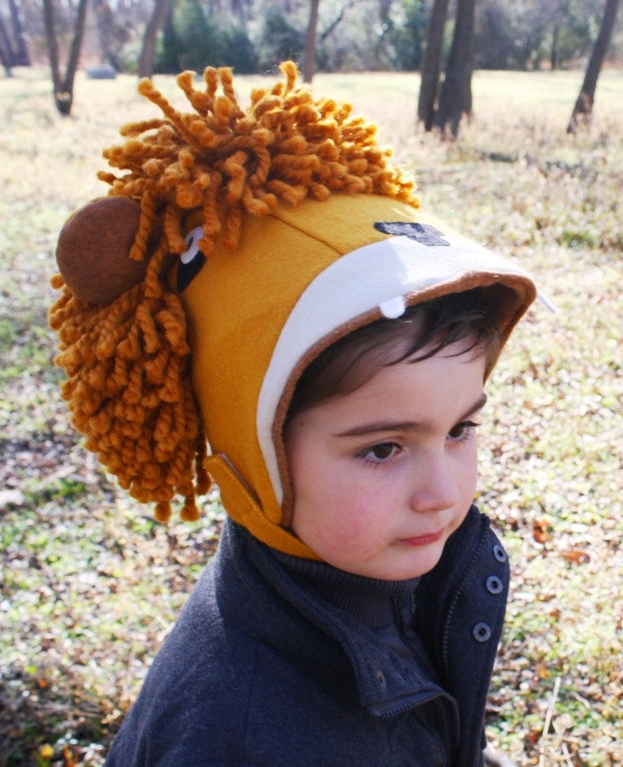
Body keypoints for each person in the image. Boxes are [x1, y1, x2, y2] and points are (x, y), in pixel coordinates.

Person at [50, 62, 547, 767]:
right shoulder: (243, 735)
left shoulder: (360, 572)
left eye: (460, 429)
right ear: (256, 455)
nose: (445, 493)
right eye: (382, 448)